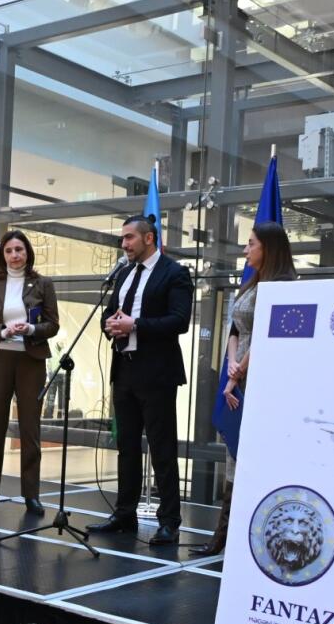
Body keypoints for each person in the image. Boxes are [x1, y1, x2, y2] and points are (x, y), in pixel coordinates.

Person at [88, 215, 193, 545]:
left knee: (162, 449)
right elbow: (109, 313)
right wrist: (110, 325)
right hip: (125, 370)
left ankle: (169, 522)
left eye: (130, 237)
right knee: (127, 448)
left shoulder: (174, 273)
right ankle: (124, 514)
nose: (124, 244)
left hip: (156, 373)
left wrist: (134, 325)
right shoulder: (124, 273)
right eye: (123, 239)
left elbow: (179, 321)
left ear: (149, 238)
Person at [195, 221, 298, 555]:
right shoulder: (253, 283)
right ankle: (223, 536)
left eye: (251, 243)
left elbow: (269, 333)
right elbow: (235, 331)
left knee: (253, 457)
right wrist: (231, 366)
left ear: (269, 247)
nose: (245, 249)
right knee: (234, 454)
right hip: (239, 379)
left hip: (262, 382)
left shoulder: (283, 286)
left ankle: (247, 537)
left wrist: (239, 372)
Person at [0, 229, 61, 514]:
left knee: (30, 430)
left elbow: (53, 325)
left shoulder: (43, 284)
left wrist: (31, 328)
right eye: (9, 251)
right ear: (3, 255)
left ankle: (31, 495)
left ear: (28, 253)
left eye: (19, 250)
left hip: (31, 361)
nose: (14, 255)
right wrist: (2, 331)